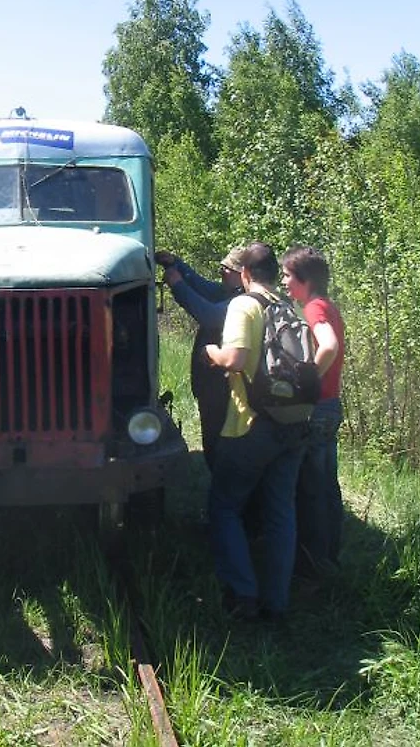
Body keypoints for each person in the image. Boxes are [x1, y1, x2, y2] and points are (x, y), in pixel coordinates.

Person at [204, 242, 310, 621]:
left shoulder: (244, 305)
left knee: (225, 508)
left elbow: (234, 360)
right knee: (281, 511)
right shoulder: (288, 307)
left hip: (251, 424)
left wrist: (212, 352)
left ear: (246, 274)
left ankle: (242, 595)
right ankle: (277, 602)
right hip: (294, 423)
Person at [281, 246, 345, 580]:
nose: (284, 281)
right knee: (326, 485)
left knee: (311, 489)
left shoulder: (315, 308)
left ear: (305, 280)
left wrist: (307, 381)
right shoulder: (328, 305)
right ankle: (330, 556)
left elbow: (329, 345)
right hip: (331, 405)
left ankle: (314, 566)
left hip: (318, 407)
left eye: (288, 275)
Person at [155, 247, 244, 469]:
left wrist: (177, 285)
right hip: (213, 385)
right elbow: (201, 286)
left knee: (219, 445)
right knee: (213, 440)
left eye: (226, 269)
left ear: (243, 274)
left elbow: (208, 314)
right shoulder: (228, 292)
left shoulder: (240, 301)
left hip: (223, 387)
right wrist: (175, 264)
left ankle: (223, 492)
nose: (221, 272)